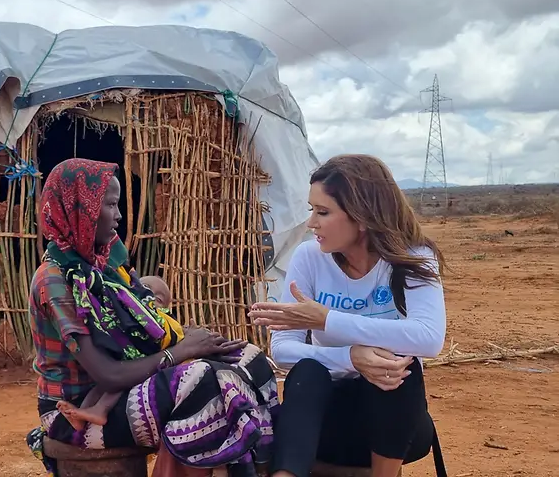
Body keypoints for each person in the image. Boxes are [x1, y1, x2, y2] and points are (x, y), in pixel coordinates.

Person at [26, 157, 280, 477]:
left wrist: (188, 339)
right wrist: (181, 351)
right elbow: (107, 374)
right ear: (81, 210)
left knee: (249, 359)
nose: (119, 215)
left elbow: (146, 325)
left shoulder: (106, 265)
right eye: (110, 205)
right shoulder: (55, 279)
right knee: (201, 382)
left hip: (129, 387)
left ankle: (264, 468)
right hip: (75, 412)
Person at [248, 154, 448, 477]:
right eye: (312, 210)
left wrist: (327, 320)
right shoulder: (309, 258)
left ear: (362, 217)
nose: (311, 223)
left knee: (395, 365)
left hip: (396, 430)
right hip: (323, 425)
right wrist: (351, 358)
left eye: (323, 212)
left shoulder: (413, 257)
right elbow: (282, 349)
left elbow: (429, 338)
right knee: (308, 372)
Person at [54, 275, 182, 430]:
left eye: (158, 298)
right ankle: (81, 413)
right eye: (143, 288)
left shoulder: (164, 320)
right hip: (124, 362)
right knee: (101, 385)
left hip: (142, 368)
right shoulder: (124, 309)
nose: (149, 297)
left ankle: (100, 410)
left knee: (118, 383)